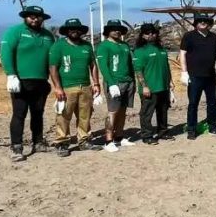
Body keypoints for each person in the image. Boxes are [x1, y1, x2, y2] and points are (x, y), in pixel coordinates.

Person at [0, 5, 56, 161]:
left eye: (38, 16)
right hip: (21, 81)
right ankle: (16, 147)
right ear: (25, 17)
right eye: (31, 16)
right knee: (19, 114)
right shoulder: (15, 32)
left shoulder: (48, 36)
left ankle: (38, 142)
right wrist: (11, 75)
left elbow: (53, 59)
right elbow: (6, 53)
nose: (35, 19)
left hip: (41, 81)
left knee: (38, 114)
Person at [49, 18, 101, 156]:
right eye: (71, 29)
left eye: (77, 29)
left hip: (85, 87)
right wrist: (57, 87)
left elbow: (93, 65)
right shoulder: (58, 46)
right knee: (64, 116)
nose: (74, 31)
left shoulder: (87, 46)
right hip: (66, 88)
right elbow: (53, 67)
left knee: (85, 115)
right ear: (66, 31)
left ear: (81, 31)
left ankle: (84, 140)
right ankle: (62, 143)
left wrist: (96, 83)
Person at [96, 19, 135, 153]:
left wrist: (133, 81)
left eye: (118, 29)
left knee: (123, 111)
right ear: (108, 31)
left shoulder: (124, 45)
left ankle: (119, 136)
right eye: (113, 29)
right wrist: (111, 83)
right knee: (113, 112)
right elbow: (103, 66)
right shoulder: (104, 46)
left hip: (128, 81)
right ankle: (108, 140)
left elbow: (130, 64)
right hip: (114, 82)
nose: (116, 31)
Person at [180, 13, 216, 139]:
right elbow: (182, 53)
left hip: (210, 75)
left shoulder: (213, 37)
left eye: (205, 20)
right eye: (200, 20)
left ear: (209, 23)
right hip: (194, 76)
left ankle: (212, 126)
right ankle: (192, 129)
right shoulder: (189, 36)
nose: (203, 22)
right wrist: (184, 72)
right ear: (196, 23)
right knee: (193, 103)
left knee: (212, 102)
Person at [133, 23, 175, 145]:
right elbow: (138, 70)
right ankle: (147, 135)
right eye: (147, 33)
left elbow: (166, 67)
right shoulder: (140, 51)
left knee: (163, 111)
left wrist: (170, 81)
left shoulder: (161, 49)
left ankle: (163, 132)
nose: (150, 34)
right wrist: (144, 86)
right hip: (149, 88)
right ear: (142, 35)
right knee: (147, 113)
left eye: (153, 32)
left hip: (163, 86)